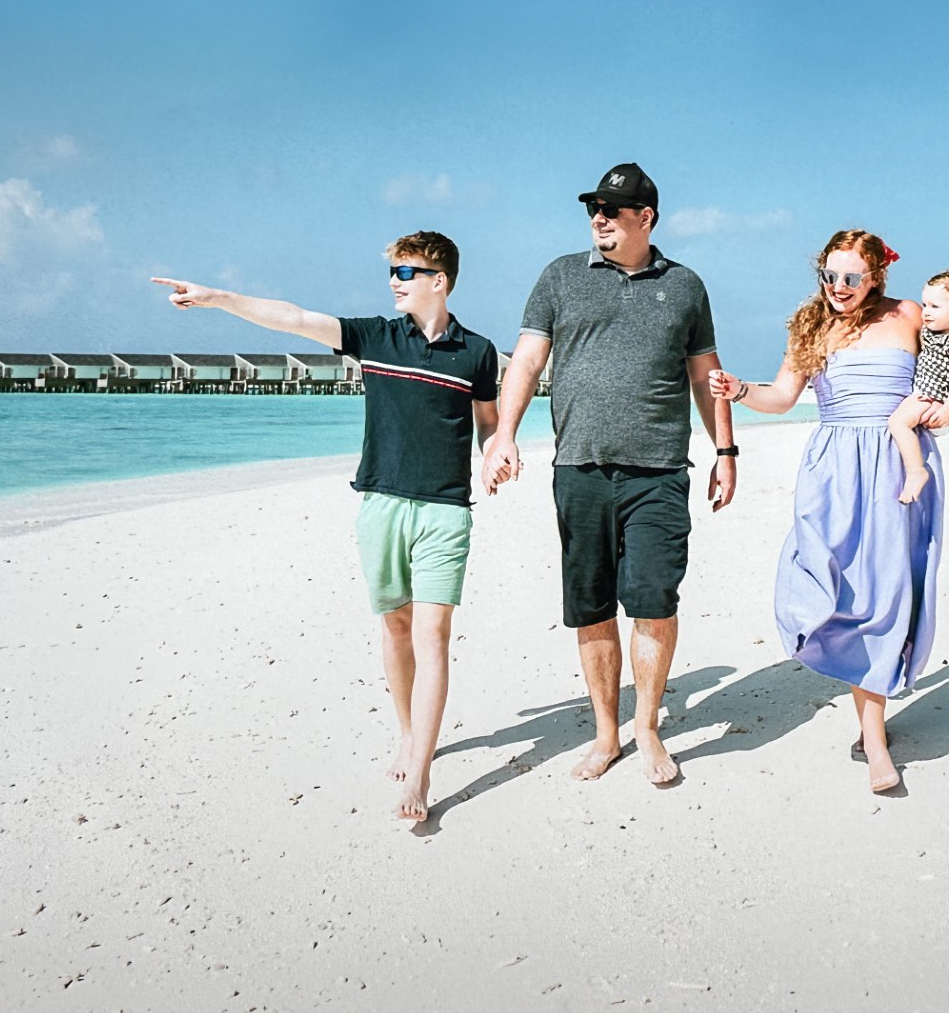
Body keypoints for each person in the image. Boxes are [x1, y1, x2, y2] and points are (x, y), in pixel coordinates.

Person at [151, 231, 499, 824]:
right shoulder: (375, 336)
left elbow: (488, 422)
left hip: (445, 508)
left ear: (439, 280)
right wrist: (217, 298)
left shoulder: (478, 352)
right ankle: (409, 731)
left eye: (406, 271)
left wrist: (497, 451)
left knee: (433, 635)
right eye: (392, 269)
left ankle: (421, 769)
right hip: (380, 502)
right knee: (396, 626)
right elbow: (292, 318)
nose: (394, 279)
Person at [481, 163, 736, 786]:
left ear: (645, 218)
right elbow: (528, 360)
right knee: (590, 605)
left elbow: (706, 374)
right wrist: (504, 435)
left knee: (653, 600)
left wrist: (725, 453)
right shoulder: (560, 276)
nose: (599, 216)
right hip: (580, 469)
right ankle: (605, 733)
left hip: (658, 471)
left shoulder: (685, 286)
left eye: (612, 209)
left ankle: (647, 727)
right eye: (593, 207)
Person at [708, 229, 942, 793]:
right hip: (832, 469)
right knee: (827, 581)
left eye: (851, 278)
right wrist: (740, 390)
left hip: (895, 467)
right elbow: (782, 398)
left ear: (876, 276)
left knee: (883, 592)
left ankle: (875, 738)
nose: (838, 288)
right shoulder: (810, 326)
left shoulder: (909, 315)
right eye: (829, 277)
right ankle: (842, 669)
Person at [887, 268, 949, 504]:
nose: (926, 312)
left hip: (936, 398)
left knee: (897, 423)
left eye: (935, 307)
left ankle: (915, 471)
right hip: (926, 394)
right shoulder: (932, 333)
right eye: (925, 305)